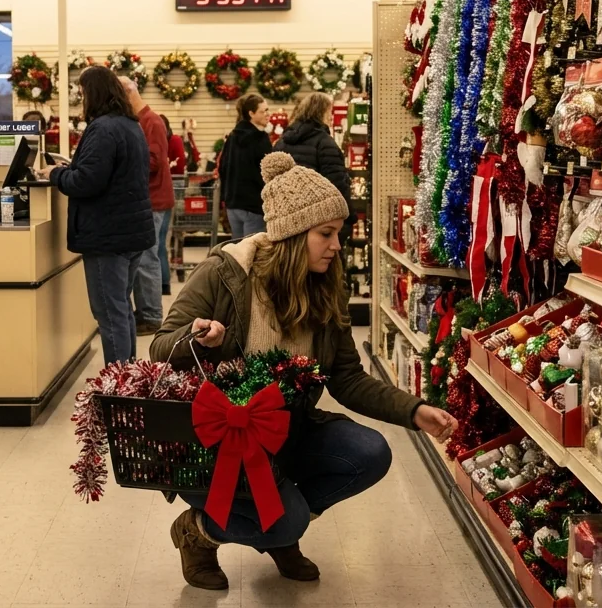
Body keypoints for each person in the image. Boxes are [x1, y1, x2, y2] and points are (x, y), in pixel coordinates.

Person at [150, 153, 458, 591]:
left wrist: (414, 411)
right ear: (294, 235)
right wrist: (200, 337)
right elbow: (161, 346)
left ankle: (278, 523)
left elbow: (347, 378)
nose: (337, 245)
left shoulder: (325, 287)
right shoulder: (225, 274)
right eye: (326, 234)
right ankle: (198, 532)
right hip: (217, 445)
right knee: (287, 521)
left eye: (338, 234)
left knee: (370, 453)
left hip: (285, 431)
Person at [38, 67, 153, 365]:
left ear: (94, 93)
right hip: (131, 231)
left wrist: (56, 174)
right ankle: (128, 378)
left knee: (109, 314)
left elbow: (86, 182)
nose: (81, 98)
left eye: (83, 92)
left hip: (107, 236)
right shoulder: (131, 125)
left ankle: (117, 385)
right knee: (122, 309)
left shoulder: (103, 129)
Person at [119, 76, 173, 331]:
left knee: (147, 259)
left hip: (153, 200)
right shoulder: (142, 121)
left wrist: (122, 163)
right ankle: (146, 313)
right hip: (148, 199)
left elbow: (154, 162)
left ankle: (151, 316)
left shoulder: (151, 122)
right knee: (144, 258)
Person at [274, 92, 349, 202]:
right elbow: (336, 183)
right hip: (316, 212)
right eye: (329, 111)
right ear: (322, 112)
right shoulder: (325, 143)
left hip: (286, 211)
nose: (331, 117)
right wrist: (349, 216)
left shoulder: (282, 141)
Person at [217, 93, 273, 238]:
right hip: (254, 204)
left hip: (233, 204)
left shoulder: (232, 136)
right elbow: (268, 172)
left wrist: (226, 197)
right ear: (251, 113)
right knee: (254, 253)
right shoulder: (261, 139)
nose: (268, 114)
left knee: (238, 252)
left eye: (268, 110)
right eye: (263, 111)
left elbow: (222, 167)